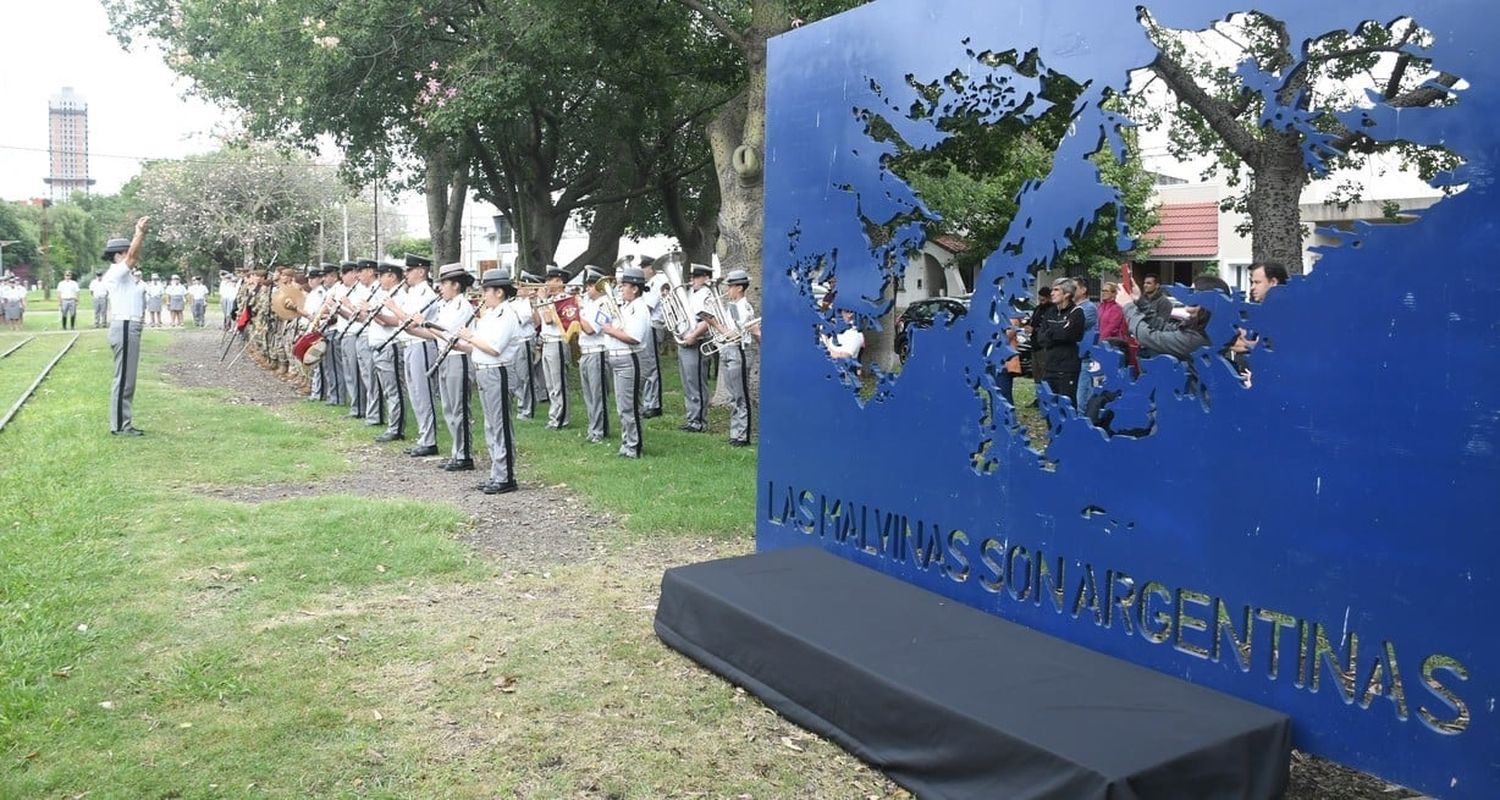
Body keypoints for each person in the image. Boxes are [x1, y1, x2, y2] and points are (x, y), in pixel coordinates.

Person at [454, 269, 524, 493]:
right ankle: (497, 472)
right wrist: (460, 344)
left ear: (500, 292)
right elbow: (479, 345)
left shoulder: (507, 315)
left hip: (498, 371)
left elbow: (494, 348)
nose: (483, 295)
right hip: (484, 371)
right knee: (490, 425)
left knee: (500, 424)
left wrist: (470, 337)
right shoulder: (491, 314)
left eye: (487, 291)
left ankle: (506, 476)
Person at [409, 263, 476, 470]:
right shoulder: (446, 305)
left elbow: (449, 333)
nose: (441, 288)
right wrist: (412, 331)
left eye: (444, 283)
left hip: (458, 358)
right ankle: (457, 451)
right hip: (444, 356)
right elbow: (435, 334)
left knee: (459, 408)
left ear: (456, 285)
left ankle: (465, 455)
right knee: (448, 407)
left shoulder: (462, 306)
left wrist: (424, 323)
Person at [102, 217, 151, 436]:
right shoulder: (116, 271)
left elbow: (133, 257)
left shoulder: (125, 276)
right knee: (123, 379)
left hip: (130, 326)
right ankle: (121, 425)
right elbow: (133, 256)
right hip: (124, 325)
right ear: (118, 255)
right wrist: (139, 233)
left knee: (127, 377)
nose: (133, 255)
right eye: (127, 251)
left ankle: (123, 422)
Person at [390, 254, 441, 456]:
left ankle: (429, 440)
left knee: (423, 393)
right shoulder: (412, 292)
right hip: (410, 343)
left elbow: (410, 321)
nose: (406, 274)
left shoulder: (426, 293)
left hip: (422, 343)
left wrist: (393, 308)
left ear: (421, 271)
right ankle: (423, 436)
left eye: (409, 270)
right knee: (414, 394)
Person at [600, 265, 653, 458]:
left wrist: (610, 330)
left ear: (635, 288)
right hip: (618, 358)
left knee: (629, 406)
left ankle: (634, 445)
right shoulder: (627, 307)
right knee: (623, 406)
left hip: (630, 359)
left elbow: (633, 337)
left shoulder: (639, 308)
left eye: (624, 286)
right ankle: (627, 442)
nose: (621, 289)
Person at [709, 269, 760, 446]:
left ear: (739, 288)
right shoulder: (732, 306)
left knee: (740, 395)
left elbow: (734, 334)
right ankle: (736, 432)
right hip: (728, 350)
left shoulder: (743, 307)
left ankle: (742, 435)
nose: (727, 290)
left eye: (730, 286)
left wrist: (713, 323)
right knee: (733, 395)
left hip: (739, 350)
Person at [362, 262, 407, 442]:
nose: (379, 279)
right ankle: (392, 424)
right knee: (388, 390)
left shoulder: (400, 296)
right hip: (379, 346)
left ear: (392, 276)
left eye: (382, 275)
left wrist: (374, 313)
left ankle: (396, 428)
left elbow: (398, 320)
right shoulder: (385, 294)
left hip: (391, 345)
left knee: (394, 388)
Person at [1115, 277, 1211, 360]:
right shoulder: (1197, 327)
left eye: (1193, 294)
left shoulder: (1198, 338)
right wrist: (1139, 300)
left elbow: (1151, 338)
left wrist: (1128, 306)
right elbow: (1163, 326)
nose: (1188, 299)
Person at [575, 266, 612, 444]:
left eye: (591, 285)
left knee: (598, 395)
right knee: (589, 395)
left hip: (598, 352)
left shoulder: (605, 304)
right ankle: (593, 428)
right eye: (587, 285)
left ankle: (600, 430)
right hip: (586, 352)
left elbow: (590, 329)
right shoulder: (589, 304)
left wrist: (576, 312)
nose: (587, 289)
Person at [677, 263, 714, 432]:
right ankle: (692, 417)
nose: (693, 280)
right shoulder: (691, 293)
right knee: (688, 382)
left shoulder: (707, 294)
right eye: (692, 277)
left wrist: (693, 335)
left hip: (697, 341)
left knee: (697, 382)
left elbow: (708, 320)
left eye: (696, 277)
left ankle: (699, 421)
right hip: (685, 340)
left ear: (705, 278)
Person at [1035, 278, 1085, 404]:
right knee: (1049, 405)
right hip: (1050, 367)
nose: (1052, 293)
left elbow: (1069, 335)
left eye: (1056, 290)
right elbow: (1041, 338)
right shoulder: (1050, 312)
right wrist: (1056, 331)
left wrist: (1051, 332)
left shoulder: (1077, 312)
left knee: (1066, 406)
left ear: (1067, 294)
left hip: (1067, 369)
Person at [536, 264, 573, 430]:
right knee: (550, 384)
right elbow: (538, 321)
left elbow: (549, 319)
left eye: (551, 280)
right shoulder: (550, 299)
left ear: (560, 281)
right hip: (547, 342)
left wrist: (542, 300)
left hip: (558, 342)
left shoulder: (563, 299)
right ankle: (554, 415)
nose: (548, 283)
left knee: (559, 384)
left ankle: (561, 418)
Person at [333, 261, 365, 417]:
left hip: (354, 333)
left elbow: (357, 316)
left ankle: (359, 407)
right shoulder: (341, 289)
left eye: (345, 274)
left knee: (355, 372)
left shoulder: (360, 291)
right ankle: (355, 405)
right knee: (348, 373)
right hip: (343, 332)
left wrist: (344, 307)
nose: (343, 277)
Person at [507, 271, 539, 420]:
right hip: (513, 343)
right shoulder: (513, 302)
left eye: (521, 286)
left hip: (525, 341)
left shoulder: (527, 303)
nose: (518, 289)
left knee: (525, 377)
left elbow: (521, 319)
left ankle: (527, 408)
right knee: (515, 377)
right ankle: (521, 404)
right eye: (517, 285)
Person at [639, 255, 667, 418]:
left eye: (644, 267)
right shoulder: (647, 284)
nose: (642, 270)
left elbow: (647, 307)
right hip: (646, 326)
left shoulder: (657, 283)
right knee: (647, 365)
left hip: (653, 326)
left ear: (651, 268)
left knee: (652, 365)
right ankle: (649, 401)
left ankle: (654, 404)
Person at [1073, 280, 1098, 411]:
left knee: (1082, 395)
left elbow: (1074, 327)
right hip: (1075, 355)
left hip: (1086, 355)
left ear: (1083, 290)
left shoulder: (1089, 308)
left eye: (1074, 288)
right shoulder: (1073, 307)